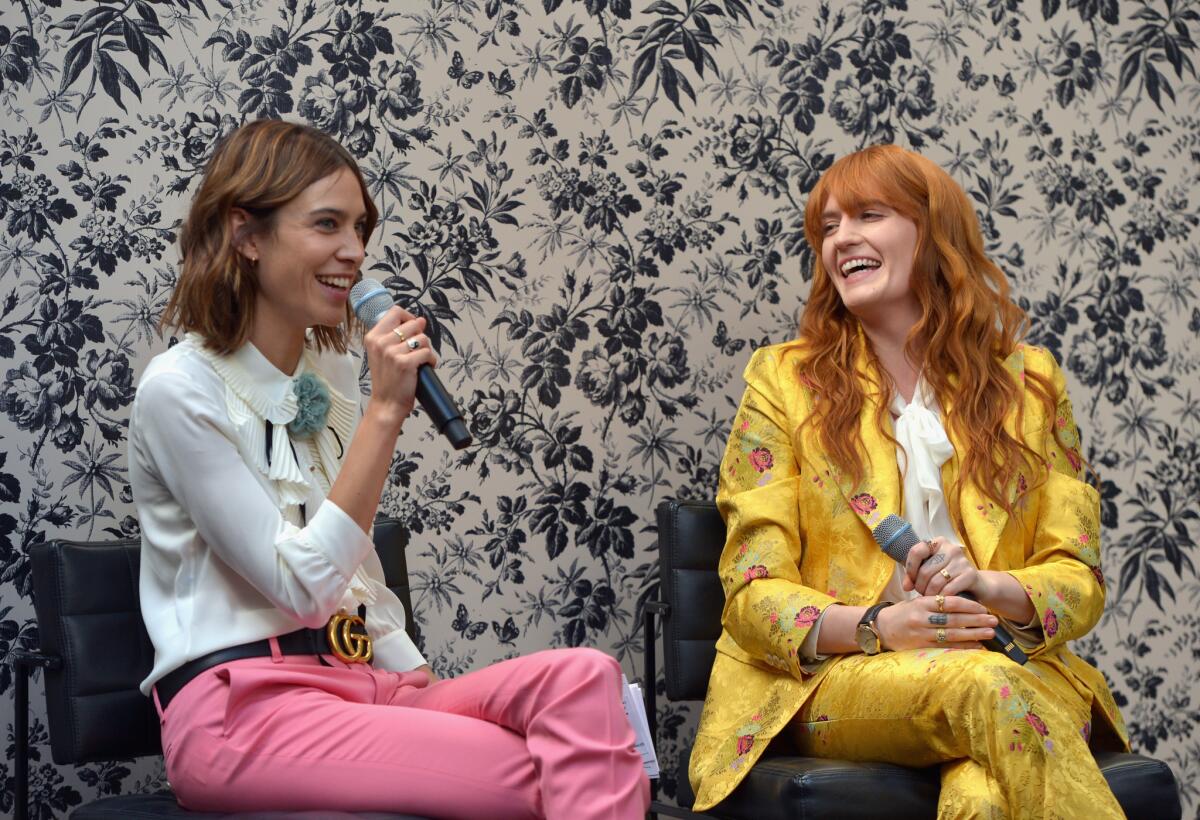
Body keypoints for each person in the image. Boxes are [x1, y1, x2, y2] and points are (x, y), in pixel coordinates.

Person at [128, 119, 649, 819]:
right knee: (552, 770)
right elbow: (303, 588)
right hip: (245, 711)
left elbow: (355, 574)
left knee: (587, 678)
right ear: (247, 234)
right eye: (327, 225)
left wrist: (414, 680)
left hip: (363, 683)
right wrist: (385, 415)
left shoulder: (332, 370)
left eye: (361, 228)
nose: (355, 254)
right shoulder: (179, 389)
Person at [688, 144, 1129, 817]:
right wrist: (880, 625)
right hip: (837, 680)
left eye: (868, 214)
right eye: (828, 225)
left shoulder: (1031, 382)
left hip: (1014, 669)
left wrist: (991, 587)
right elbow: (751, 595)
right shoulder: (781, 381)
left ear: (933, 234)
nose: (842, 239)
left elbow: (1079, 580)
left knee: (982, 796)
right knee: (983, 686)